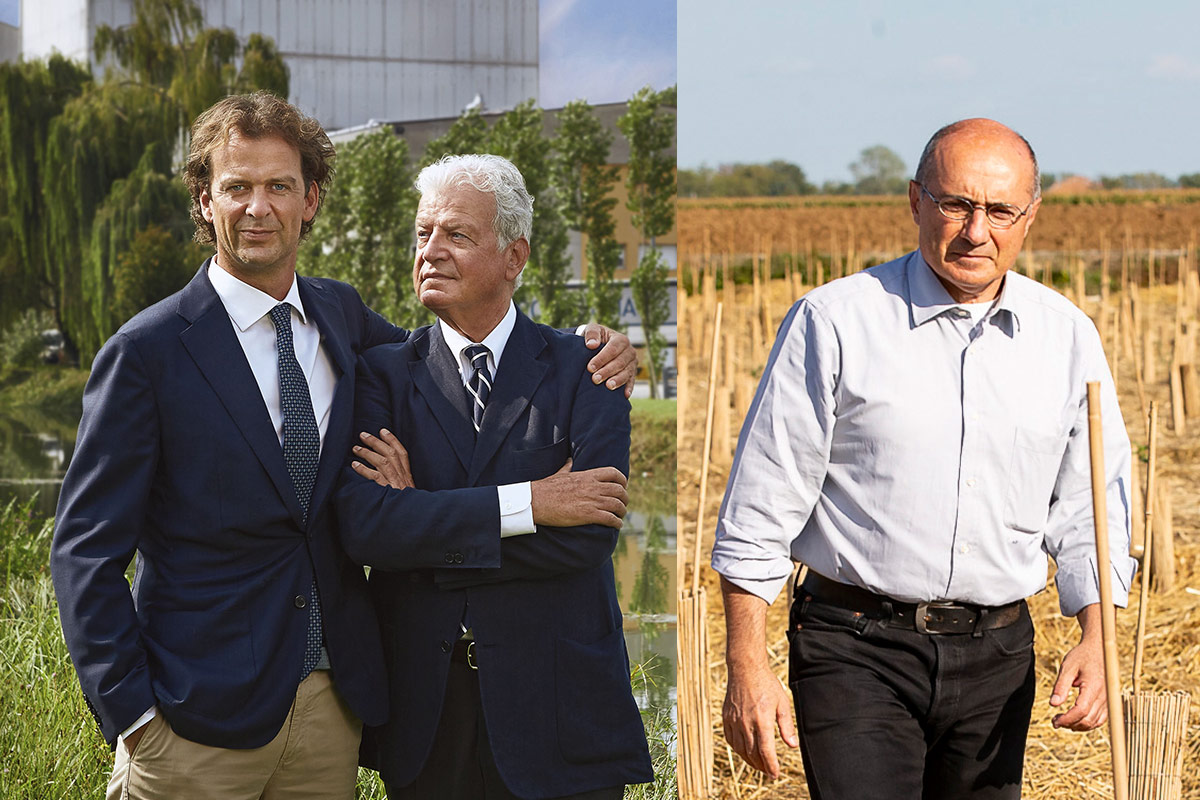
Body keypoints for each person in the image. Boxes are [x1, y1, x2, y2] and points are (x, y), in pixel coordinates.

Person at [49, 92, 637, 800]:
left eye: (278, 186)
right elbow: (84, 552)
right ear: (205, 202)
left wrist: (595, 342)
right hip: (193, 723)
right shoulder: (144, 353)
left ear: (312, 200)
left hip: (332, 716)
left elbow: (464, 352)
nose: (257, 207)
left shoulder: (344, 319)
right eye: (236, 187)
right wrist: (133, 716)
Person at [711, 118, 1136, 799]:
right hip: (854, 647)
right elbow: (762, 504)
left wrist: (1097, 634)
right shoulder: (834, 322)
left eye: (1000, 211)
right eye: (956, 204)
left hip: (999, 654)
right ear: (916, 201)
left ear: (1030, 217)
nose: (977, 231)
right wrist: (747, 666)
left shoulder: (1067, 339)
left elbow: (1091, 505)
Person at [335, 153, 654, 800]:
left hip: (560, 714)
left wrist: (423, 520)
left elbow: (588, 536)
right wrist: (531, 504)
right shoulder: (381, 374)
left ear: (515, 257)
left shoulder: (588, 368)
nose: (431, 251)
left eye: (456, 234)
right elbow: (367, 529)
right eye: (422, 234)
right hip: (428, 718)